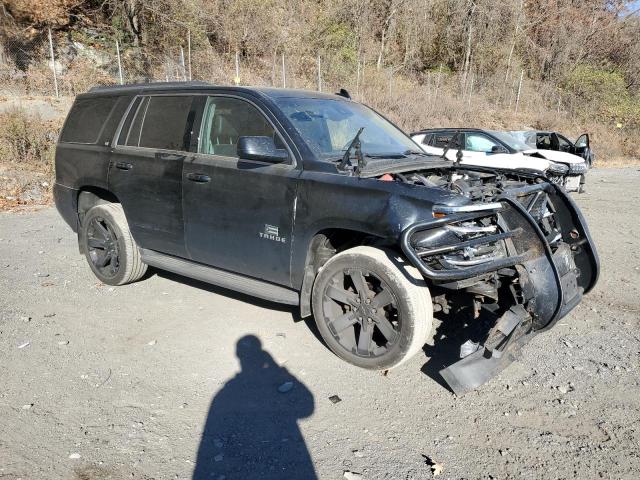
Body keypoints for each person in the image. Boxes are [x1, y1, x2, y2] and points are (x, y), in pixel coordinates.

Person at [193, 335, 316, 479]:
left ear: (238, 356)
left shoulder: (224, 393)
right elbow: (307, 409)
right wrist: (283, 372)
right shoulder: (227, 392)